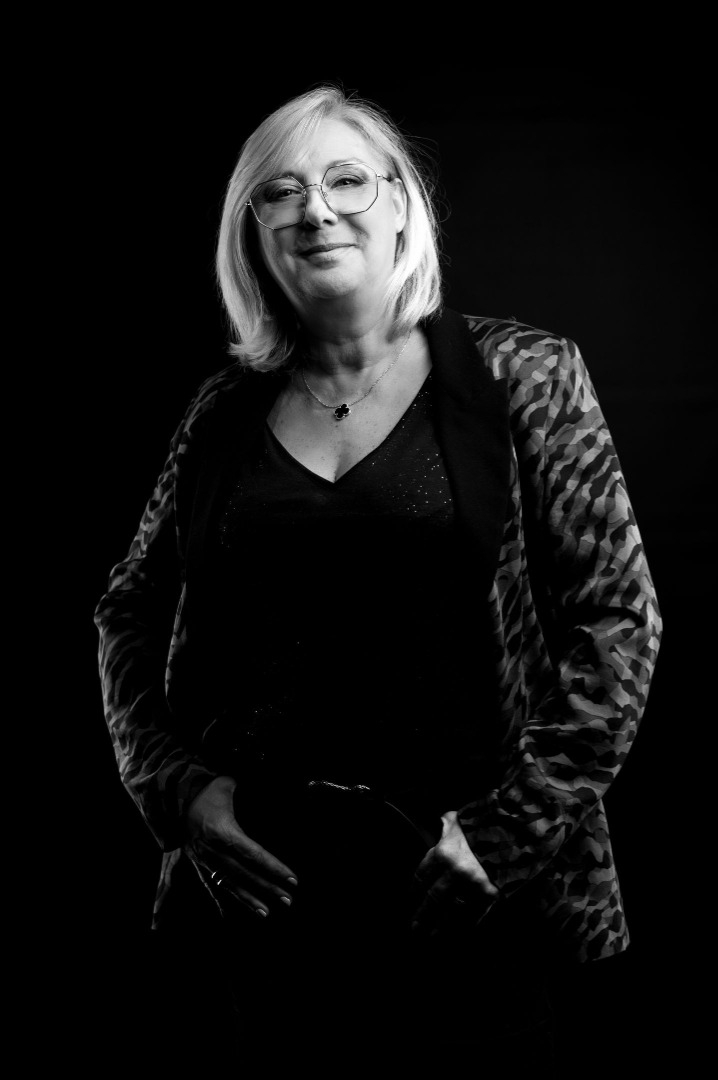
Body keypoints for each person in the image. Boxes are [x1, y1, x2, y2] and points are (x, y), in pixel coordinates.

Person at [95, 84, 662, 1072]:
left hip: (459, 876)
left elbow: (618, 620)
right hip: (265, 885)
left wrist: (507, 834)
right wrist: (179, 791)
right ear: (254, 234)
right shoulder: (221, 413)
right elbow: (127, 612)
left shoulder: (523, 375)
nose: (316, 210)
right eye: (281, 192)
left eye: (346, 180)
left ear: (402, 204)